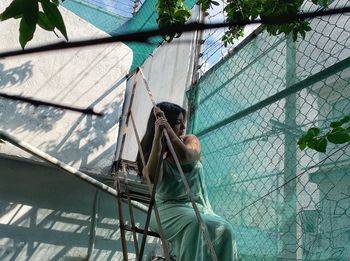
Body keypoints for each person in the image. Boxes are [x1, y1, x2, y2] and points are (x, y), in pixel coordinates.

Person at [136, 102, 238, 260]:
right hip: (166, 210)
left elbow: (186, 157)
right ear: (165, 123)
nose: (184, 127)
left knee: (225, 228)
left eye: (184, 121)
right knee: (196, 225)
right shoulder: (156, 152)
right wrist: (158, 139)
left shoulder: (190, 140)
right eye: (178, 122)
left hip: (198, 207)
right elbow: (151, 178)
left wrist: (168, 131)